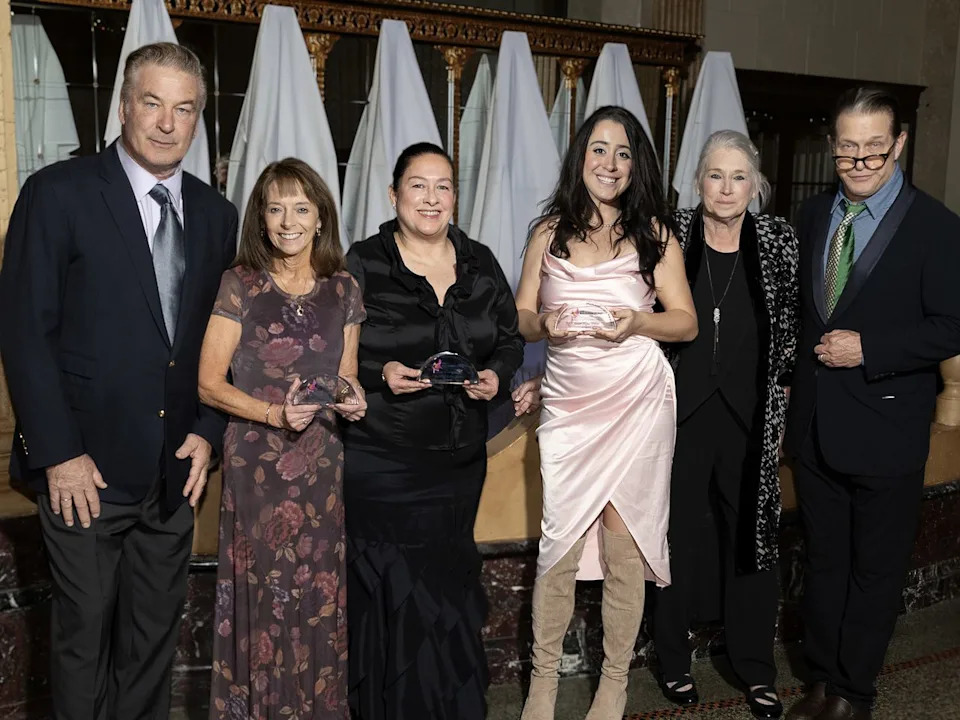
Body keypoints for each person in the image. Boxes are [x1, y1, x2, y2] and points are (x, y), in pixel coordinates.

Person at [0, 43, 238, 720]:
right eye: (153, 102)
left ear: (198, 119)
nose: (167, 123)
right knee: (83, 640)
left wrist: (208, 432)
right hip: (83, 474)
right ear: (124, 106)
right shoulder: (59, 193)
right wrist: (58, 453)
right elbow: (25, 332)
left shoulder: (217, 215)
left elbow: (225, 343)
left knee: (151, 643)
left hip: (173, 473)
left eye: (184, 108)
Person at [515, 105, 697, 720]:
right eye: (599, 149)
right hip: (568, 404)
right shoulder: (547, 231)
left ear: (635, 163)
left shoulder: (655, 235)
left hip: (637, 400)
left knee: (624, 550)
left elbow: (686, 321)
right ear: (580, 157)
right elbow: (519, 315)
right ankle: (543, 683)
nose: (610, 164)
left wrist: (638, 322)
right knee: (558, 546)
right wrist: (546, 323)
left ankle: (614, 682)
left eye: (622, 153)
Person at [783, 87, 960, 720]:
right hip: (816, 428)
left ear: (900, 144)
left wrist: (872, 347)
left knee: (875, 570)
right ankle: (822, 680)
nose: (860, 163)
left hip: (887, 424)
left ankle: (856, 692)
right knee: (824, 563)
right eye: (848, 150)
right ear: (833, 146)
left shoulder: (936, 226)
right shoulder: (810, 215)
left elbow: (952, 324)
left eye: (874, 151)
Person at [343, 142, 524, 720]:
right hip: (383, 461)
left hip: (458, 463)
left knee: (447, 588)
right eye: (417, 185)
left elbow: (510, 340)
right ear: (393, 194)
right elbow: (333, 351)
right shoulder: (364, 262)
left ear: (455, 197)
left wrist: (496, 377)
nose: (431, 197)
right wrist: (380, 374)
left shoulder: (480, 261)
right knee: (393, 593)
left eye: (443, 186)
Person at [198, 158, 366, 718]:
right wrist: (273, 416)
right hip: (257, 466)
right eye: (276, 208)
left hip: (321, 466)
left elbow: (346, 376)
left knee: (317, 593)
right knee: (264, 594)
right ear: (261, 219)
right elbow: (208, 383)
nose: (288, 220)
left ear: (320, 217)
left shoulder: (343, 288)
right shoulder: (240, 283)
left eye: (301, 208)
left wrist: (354, 399)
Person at [650, 130, 798, 719]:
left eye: (740, 177)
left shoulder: (776, 238)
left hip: (751, 416)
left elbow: (791, 329)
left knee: (752, 543)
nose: (728, 188)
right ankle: (674, 661)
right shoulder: (669, 234)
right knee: (675, 538)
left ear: (755, 184)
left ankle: (755, 668)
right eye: (716, 175)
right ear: (698, 181)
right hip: (678, 414)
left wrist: (783, 407)